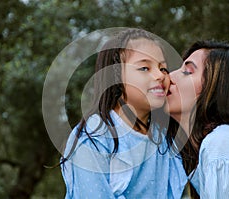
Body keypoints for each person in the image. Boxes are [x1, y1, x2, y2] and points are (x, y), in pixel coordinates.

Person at [60, 28, 188, 199]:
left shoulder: (164, 138)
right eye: (144, 68)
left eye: (163, 68)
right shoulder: (94, 137)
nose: (160, 75)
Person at [165, 40, 229, 198]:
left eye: (187, 71)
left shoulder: (223, 146)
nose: (169, 76)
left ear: (220, 89)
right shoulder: (216, 150)